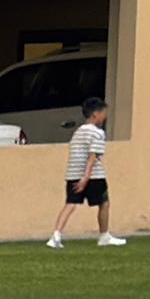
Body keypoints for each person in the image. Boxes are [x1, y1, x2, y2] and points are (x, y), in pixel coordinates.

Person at [46, 102, 121, 246]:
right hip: (94, 176)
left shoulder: (77, 132)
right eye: (103, 113)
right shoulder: (98, 133)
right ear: (95, 114)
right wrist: (86, 178)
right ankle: (104, 236)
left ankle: (56, 235)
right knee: (104, 203)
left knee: (70, 204)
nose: (105, 117)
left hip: (73, 174)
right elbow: (92, 157)